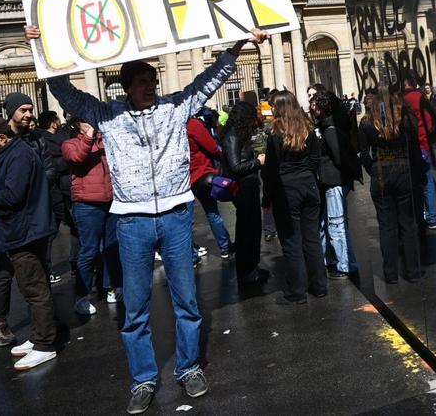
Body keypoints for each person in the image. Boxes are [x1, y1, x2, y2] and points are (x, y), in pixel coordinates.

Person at [27, 24, 267, 414]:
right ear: (127, 87)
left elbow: (211, 79)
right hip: (132, 222)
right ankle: (143, 378)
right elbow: (63, 90)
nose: (150, 86)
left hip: (175, 214)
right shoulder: (106, 115)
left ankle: (188, 368)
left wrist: (240, 43)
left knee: (187, 301)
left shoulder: (175, 108)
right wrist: (40, 45)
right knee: (134, 308)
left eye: (152, 79)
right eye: (142, 81)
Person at [0, 118, 58, 370]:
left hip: (25, 231)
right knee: (34, 287)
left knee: (35, 289)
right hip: (23, 229)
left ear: (2, 138)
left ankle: (44, 344)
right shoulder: (14, 154)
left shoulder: (17, 157)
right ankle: (39, 336)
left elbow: (12, 195)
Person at [262, 90, 327, 305]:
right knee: (312, 237)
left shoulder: (276, 133)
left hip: (287, 188)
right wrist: (307, 174)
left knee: (291, 241)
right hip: (308, 185)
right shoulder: (307, 127)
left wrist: (267, 197)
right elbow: (316, 158)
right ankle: (319, 285)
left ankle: (297, 290)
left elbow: (270, 170)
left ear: (280, 108)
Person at [358, 87, 424, 284]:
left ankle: (390, 273)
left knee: (386, 227)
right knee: (408, 224)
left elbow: (363, 154)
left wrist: (374, 170)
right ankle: (413, 271)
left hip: (381, 172)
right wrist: (419, 175)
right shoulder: (404, 118)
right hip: (403, 170)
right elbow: (414, 148)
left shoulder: (367, 122)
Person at [62, 118, 122, 316]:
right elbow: (77, 158)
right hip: (87, 205)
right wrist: (88, 136)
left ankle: (111, 287)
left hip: (110, 201)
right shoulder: (69, 144)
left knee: (112, 248)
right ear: (76, 124)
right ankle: (82, 295)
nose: (91, 122)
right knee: (89, 250)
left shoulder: (104, 141)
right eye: (85, 120)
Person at [219, 102, 268, 285]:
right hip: (242, 188)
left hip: (250, 186)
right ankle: (246, 272)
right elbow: (235, 166)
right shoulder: (232, 136)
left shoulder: (240, 134)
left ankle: (253, 267)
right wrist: (258, 162)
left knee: (254, 230)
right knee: (246, 231)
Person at [310, 89, 357, 279]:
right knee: (333, 223)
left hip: (334, 180)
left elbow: (339, 157)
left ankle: (346, 265)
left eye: (314, 103)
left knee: (336, 224)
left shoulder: (329, 129)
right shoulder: (327, 125)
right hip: (333, 180)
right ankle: (340, 261)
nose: (311, 106)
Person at [187, 113, 232, 259]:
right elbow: (212, 147)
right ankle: (225, 248)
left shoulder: (172, 126)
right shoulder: (193, 124)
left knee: (185, 220)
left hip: (183, 177)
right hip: (201, 174)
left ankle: (192, 255)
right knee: (212, 212)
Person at [37, 110, 74, 284]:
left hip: (63, 189)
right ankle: (46, 268)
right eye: (57, 119)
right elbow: (55, 165)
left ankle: (74, 262)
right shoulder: (47, 141)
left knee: (71, 227)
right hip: (56, 190)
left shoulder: (58, 137)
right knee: (52, 230)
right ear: (53, 123)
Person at [402, 78, 436, 227]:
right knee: (428, 181)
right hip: (424, 144)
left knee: (414, 183)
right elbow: (430, 122)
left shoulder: (405, 99)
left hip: (412, 145)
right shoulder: (421, 97)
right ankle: (432, 217)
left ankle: (418, 217)